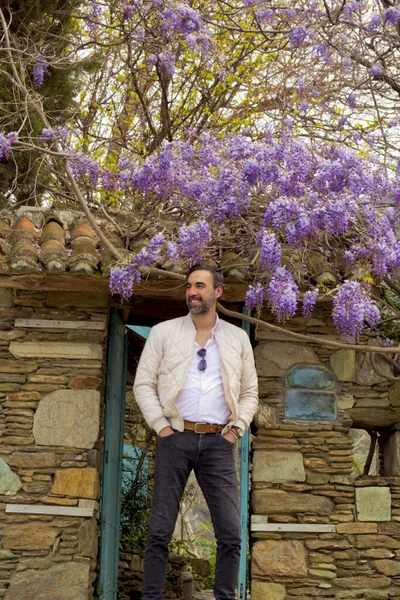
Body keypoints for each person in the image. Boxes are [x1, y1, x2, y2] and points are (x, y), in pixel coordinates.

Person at [133, 264, 258, 600]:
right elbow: (143, 383)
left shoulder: (237, 338)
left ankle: (225, 597)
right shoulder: (163, 332)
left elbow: (249, 393)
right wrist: (161, 426)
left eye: (200, 286)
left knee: (230, 533)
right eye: (189, 286)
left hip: (219, 441)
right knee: (160, 530)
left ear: (218, 292)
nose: (192, 292)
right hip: (176, 436)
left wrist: (236, 431)